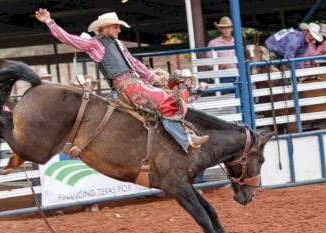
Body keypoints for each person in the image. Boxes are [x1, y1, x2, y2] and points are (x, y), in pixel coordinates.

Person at [35, 9, 208, 152]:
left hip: (136, 84)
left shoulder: (118, 44)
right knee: (166, 100)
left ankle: (181, 136)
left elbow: (133, 63)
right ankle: (186, 141)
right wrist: (50, 22)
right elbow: (69, 39)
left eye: (118, 27)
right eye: (115, 27)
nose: (119, 30)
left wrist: (153, 77)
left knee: (170, 95)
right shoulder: (96, 44)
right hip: (127, 88)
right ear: (104, 28)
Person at [206, 16, 236, 83]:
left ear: (231, 29)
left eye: (228, 27)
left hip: (237, 73)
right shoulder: (212, 43)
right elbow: (208, 63)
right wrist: (219, 65)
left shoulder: (237, 42)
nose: (226, 30)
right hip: (222, 75)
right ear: (220, 29)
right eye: (223, 28)